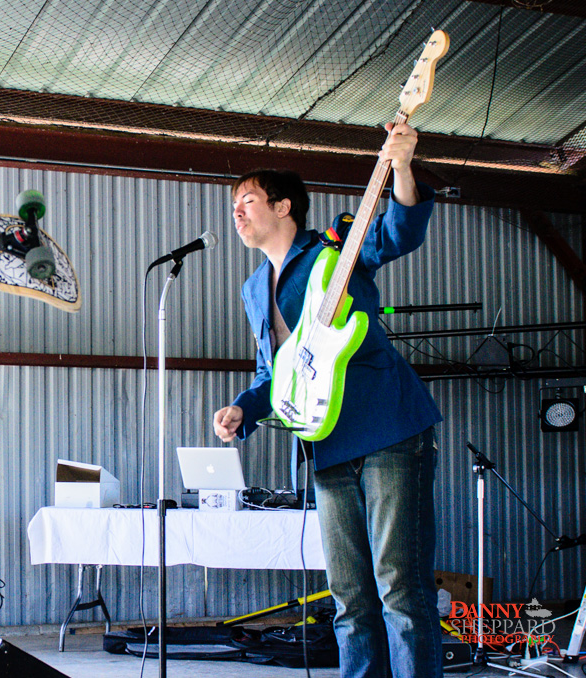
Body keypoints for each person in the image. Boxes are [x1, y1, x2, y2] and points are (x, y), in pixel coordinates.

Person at [212, 122, 444, 678]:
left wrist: (402, 166)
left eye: (248, 201)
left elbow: (398, 232)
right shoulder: (253, 289)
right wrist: (245, 407)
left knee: (400, 588)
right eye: (233, 205)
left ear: (284, 206)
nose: (237, 212)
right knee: (349, 596)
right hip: (325, 443)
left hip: (388, 428)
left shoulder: (335, 249)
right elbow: (278, 372)